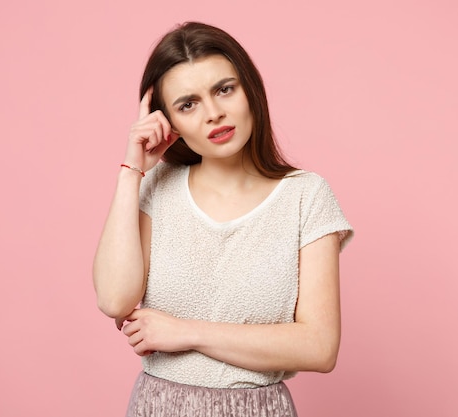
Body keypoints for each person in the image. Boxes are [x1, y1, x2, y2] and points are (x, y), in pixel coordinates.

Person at [92, 21, 353, 417]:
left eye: (224, 89)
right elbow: (114, 299)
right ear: (169, 121)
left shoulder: (306, 195)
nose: (214, 114)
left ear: (250, 90)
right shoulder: (158, 188)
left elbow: (319, 346)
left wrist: (186, 332)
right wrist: (132, 171)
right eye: (188, 104)